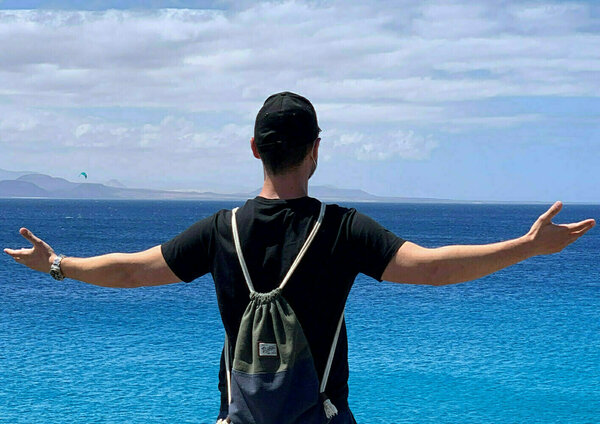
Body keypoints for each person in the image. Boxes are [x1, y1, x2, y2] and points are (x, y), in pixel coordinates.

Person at [4, 91, 596, 424]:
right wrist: (528, 246)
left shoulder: (220, 230)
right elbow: (435, 268)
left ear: (254, 149)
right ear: (316, 150)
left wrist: (57, 265)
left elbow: (134, 269)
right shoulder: (342, 228)